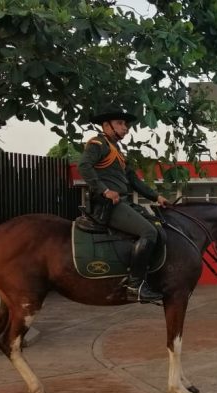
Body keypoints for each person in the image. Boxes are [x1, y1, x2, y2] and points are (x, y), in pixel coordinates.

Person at [78, 106, 170, 304]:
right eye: (120, 123)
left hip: (122, 201)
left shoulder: (117, 150)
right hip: (107, 204)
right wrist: (104, 190)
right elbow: (83, 166)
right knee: (148, 233)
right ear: (106, 125)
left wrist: (156, 197)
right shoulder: (97, 143)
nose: (125, 127)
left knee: (155, 225)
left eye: (126, 124)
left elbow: (134, 180)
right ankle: (134, 286)